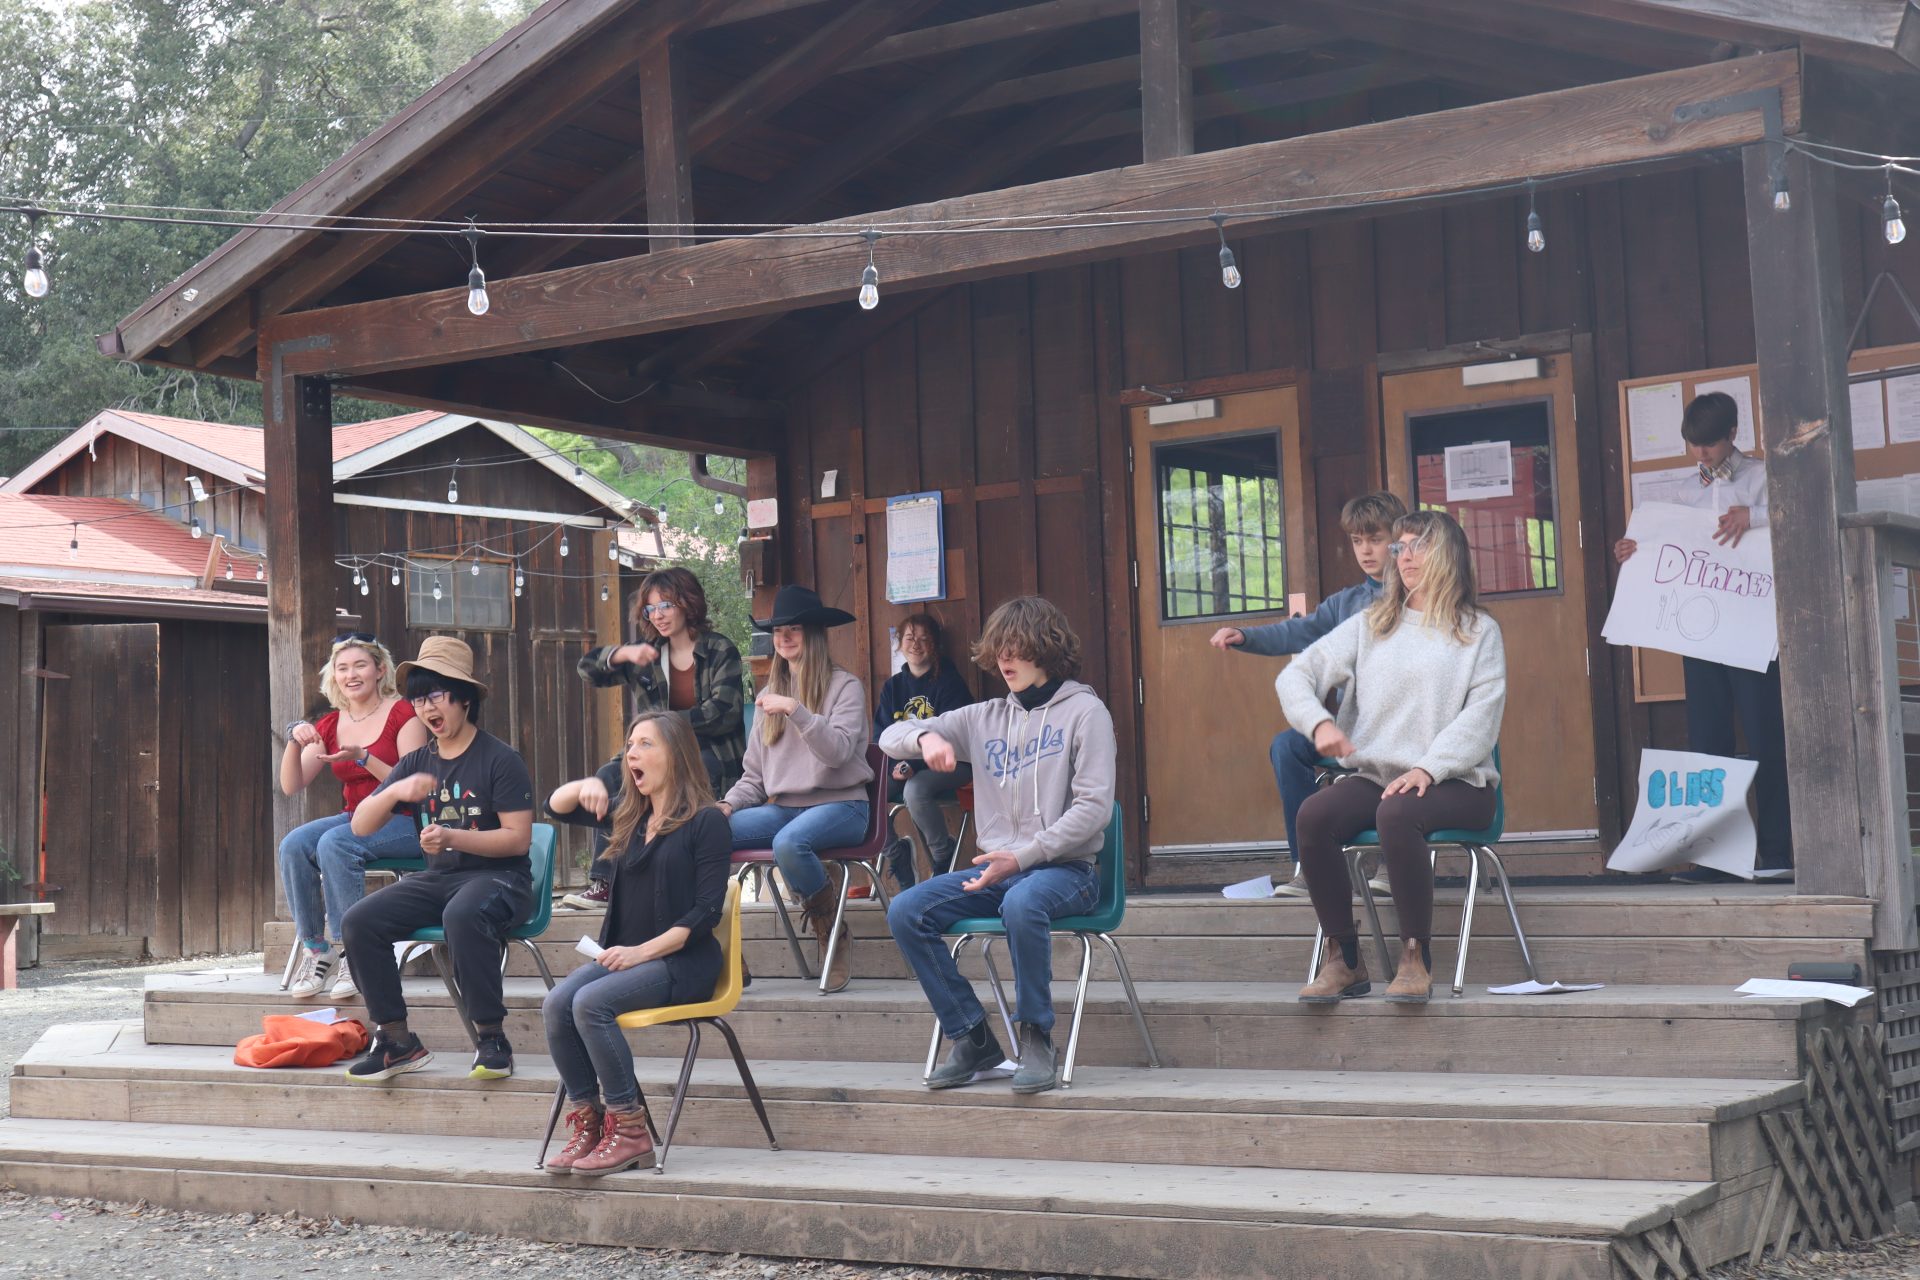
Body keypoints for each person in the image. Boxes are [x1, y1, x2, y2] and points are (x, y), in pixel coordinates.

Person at [882, 596, 1116, 1095]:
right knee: (906, 909)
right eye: (998, 648)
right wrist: (925, 739)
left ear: (1047, 650)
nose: (1004, 659)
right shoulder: (984, 717)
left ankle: (1035, 1036)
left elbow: (1094, 810)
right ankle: (971, 1037)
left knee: (1023, 899)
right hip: (998, 871)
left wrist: (1024, 856)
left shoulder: (1086, 712)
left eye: (1018, 648)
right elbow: (889, 734)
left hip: (1067, 871)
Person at [1278, 510, 1506, 1006]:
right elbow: (1295, 675)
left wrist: (1429, 767)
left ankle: (1414, 957)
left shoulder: (1477, 631)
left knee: (1396, 811)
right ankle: (1344, 958)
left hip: (1460, 784)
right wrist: (1319, 724)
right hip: (1380, 775)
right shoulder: (1371, 625)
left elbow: (1481, 719)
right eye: (1400, 547)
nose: (1405, 557)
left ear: (1448, 555)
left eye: (1418, 546)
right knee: (1315, 815)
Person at [542, 712, 731, 1175]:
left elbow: (707, 911)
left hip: (684, 963)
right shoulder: (629, 815)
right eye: (629, 745)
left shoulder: (708, 822)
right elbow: (555, 806)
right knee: (556, 1004)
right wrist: (585, 783)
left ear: (677, 755)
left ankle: (630, 1130)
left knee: (590, 1003)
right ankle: (591, 1122)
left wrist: (640, 953)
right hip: (629, 959)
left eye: (645, 744)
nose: (632, 754)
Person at [340, 636, 536, 1083]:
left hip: (501, 879)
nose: (427, 707)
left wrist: (452, 836)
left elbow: (518, 841)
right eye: (418, 698)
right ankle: (396, 1040)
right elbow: (360, 828)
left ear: (464, 699)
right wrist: (392, 790)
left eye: (436, 695)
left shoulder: (500, 759)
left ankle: (491, 1038)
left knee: (463, 913)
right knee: (359, 921)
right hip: (441, 880)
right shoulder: (415, 761)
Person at [1613, 391, 1791, 883]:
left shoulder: (1764, 479)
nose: (1701, 455)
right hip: (1704, 636)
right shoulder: (1683, 491)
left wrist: (1752, 517)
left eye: (1709, 445)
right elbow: (1663, 545)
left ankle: (1778, 851)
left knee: (1765, 739)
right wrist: (1635, 550)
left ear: (1733, 434)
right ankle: (1716, 858)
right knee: (1708, 742)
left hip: (1754, 634)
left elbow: (1800, 518)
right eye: (1694, 446)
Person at [1211, 491, 1407, 899]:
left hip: (1406, 731)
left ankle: (1395, 861)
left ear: (1398, 538)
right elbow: (1297, 631)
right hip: (1355, 733)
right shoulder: (1345, 604)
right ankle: (1310, 864)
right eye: (1357, 541)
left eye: (1374, 538)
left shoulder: (1421, 597)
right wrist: (1246, 636)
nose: (1366, 550)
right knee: (1287, 746)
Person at [720, 584, 873, 993]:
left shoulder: (845, 687)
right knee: (705, 832)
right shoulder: (769, 694)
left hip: (844, 805)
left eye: (795, 629)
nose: (784, 637)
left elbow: (839, 752)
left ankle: (832, 930)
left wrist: (798, 711)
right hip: (785, 807)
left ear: (815, 634)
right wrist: (726, 806)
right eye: (778, 631)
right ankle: (721, 947)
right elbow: (754, 775)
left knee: (789, 843)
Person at [574, 566, 746, 907]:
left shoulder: (720, 649)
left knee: (683, 775)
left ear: (687, 602)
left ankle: (668, 877)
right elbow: (587, 670)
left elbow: (723, 712)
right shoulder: (647, 654)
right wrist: (621, 654)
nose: (659, 615)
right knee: (610, 776)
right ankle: (606, 881)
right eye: (651, 609)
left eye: (666, 605)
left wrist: (663, 729)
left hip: (712, 756)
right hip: (655, 755)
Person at [276, 633, 429, 1001]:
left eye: (360, 665)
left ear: (379, 670)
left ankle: (351, 949)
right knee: (294, 843)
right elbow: (291, 785)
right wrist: (294, 740)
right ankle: (316, 947)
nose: (351, 674)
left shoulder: (403, 713)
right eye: (342, 668)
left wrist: (363, 757)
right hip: (356, 817)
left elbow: (410, 785)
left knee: (336, 842)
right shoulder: (331, 723)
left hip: (408, 820)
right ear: (334, 676)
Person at [873, 612, 976, 887]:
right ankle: (896, 854)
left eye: (923, 638)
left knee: (914, 790)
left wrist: (913, 766)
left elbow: (952, 736)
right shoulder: (893, 687)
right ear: (899, 644)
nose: (915, 644)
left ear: (935, 645)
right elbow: (880, 734)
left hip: (955, 763)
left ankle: (943, 856)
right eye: (909, 638)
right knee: (865, 793)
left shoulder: (949, 682)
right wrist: (894, 766)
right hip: (902, 766)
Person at [548, 754, 625, 911]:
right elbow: (552, 807)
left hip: (679, 749)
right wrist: (583, 786)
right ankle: (606, 882)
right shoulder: (627, 807)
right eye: (631, 745)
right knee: (607, 774)